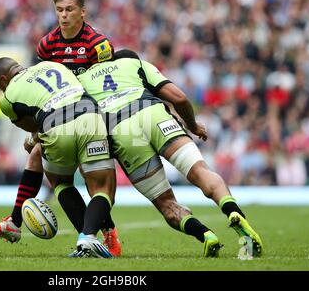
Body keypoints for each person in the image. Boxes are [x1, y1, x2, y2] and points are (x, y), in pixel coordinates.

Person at [75, 49, 263, 257]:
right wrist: (192, 125)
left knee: (166, 204)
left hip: (121, 130)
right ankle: (233, 212)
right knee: (201, 172)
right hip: (153, 113)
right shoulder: (134, 64)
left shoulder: (81, 80)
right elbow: (179, 98)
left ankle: (206, 235)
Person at [0, 0, 121, 256]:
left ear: (82, 11)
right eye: (59, 10)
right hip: (62, 116)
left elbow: (107, 85)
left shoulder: (99, 44)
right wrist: (37, 134)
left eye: (69, 9)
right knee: (37, 156)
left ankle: (106, 234)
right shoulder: (47, 44)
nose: (63, 15)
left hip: (94, 111)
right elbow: (40, 87)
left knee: (91, 179)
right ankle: (16, 221)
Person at [0, 57, 116, 258]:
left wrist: (31, 141)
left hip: (55, 124)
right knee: (102, 188)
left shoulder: (8, 99)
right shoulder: (53, 65)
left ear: (3, 79)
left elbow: (33, 128)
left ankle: (85, 239)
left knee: (61, 183)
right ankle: (97, 237)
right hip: (89, 115)